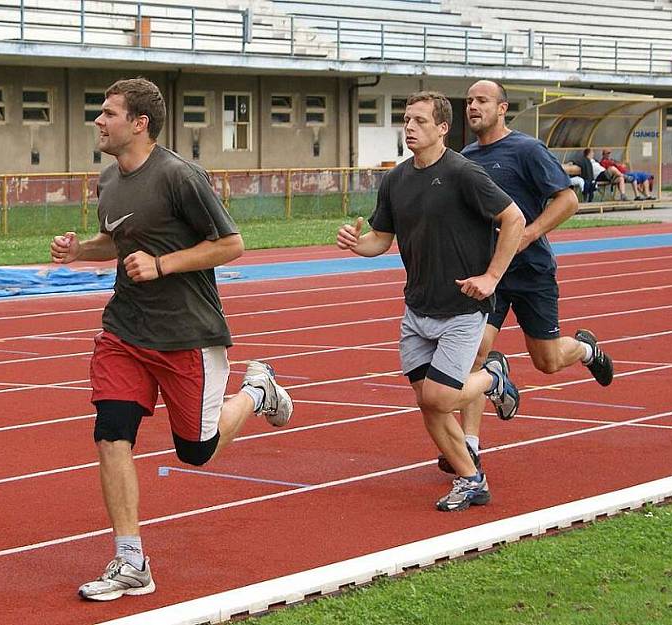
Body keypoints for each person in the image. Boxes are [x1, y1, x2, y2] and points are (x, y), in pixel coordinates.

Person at [50, 78, 293, 601]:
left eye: (108, 113)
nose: (98, 120)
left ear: (139, 123)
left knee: (196, 452)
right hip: (125, 330)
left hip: (187, 334)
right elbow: (117, 241)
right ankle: (131, 558)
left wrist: (162, 265)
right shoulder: (110, 179)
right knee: (110, 434)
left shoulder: (180, 176)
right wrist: (79, 250)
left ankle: (257, 390)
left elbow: (231, 244)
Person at [337, 91, 526, 512]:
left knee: (440, 399)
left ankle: (493, 378)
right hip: (417, 308)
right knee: (429, 404)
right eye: (406, 120)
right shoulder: (396, 180)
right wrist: (356, 243)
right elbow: (381, 240)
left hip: (460, 307)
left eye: (420, 121)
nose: (409, 128)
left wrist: (493, 276)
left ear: (442, 128)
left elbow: (514, 218)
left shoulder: (463, 173)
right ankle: (471, 479)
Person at [444, 80, 615, 475]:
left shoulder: (527, 150)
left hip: (531, 270)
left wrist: (529, 234)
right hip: (490, 273)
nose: (472, 106)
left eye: (482, 100)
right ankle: (469, 445)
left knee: (548, 361)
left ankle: (587, 350)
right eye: (469, 100)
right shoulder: (466, 157)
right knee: (475, 353)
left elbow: (568, 199)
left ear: (502, 108)